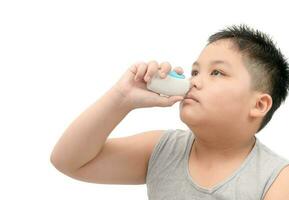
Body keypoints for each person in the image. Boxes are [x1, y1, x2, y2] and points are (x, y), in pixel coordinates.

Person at [50, 24, 289, 199]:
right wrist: (121, 98)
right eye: (195, 72)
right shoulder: (163, 150)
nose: (194, 81)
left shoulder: (277, 178)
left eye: (217, 72)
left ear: (259, 105)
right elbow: (68, 161)